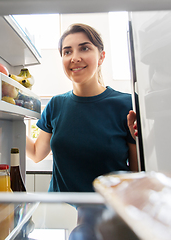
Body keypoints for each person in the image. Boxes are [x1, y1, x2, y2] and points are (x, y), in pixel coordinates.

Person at [26, 23, 138, 193]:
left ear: (101, 57)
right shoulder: (56, 105)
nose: (75, 58)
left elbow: (136, 174)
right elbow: (36, 153)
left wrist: (138, 140)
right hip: (60, 212)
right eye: (67, 51)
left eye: (84, 48)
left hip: (107, 213)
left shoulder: (127, 104)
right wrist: (6, 120)